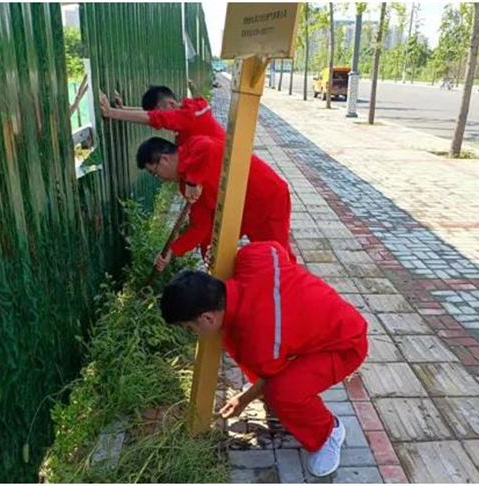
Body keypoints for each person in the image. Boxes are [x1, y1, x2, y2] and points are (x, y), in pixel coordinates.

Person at [159, 241, 369, 477]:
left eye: (189, 328)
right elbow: (274, 247)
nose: (192, 333)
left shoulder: (258, 342)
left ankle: (329, 432)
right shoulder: (252, 258)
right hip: (336, 321)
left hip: (345, 346)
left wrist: (244, 400)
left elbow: (271, 377)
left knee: (281, 394)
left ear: (207, 318)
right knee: (264, 367)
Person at [136, 136, 296, 268]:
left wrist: (193, 181)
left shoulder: (193, 147)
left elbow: (206, 146)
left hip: (267, 198)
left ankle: (297, 298)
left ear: (164, 160)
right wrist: (172, 250)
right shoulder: (185, 184)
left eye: (155, 173)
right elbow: (200, 227)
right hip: (240, 210)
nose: (161, 180)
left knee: (278, 259)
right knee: (212, 247)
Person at [99, 83, 225, 146]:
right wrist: (124, 108)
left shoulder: (191, 115)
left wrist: (111, 113)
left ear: (170, 103)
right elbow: (154, 114)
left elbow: (156, 117)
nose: (162, 119)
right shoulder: (189, 112)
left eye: (159, 111)